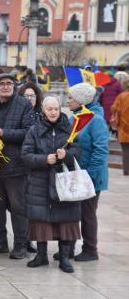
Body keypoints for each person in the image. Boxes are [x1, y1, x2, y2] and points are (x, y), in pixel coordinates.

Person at [22, 96, 81, 273]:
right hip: (40, 181)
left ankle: (64, 257)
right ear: (43, 110)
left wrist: (67, 155)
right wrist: (44, 159)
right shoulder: (34, 130)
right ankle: (41, 256)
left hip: (64, 181)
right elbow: (26, 154)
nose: (53, 112)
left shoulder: (70, 129)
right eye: (49, 109)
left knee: (65, 219)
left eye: (56, 109)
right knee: (41, 220)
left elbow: (78, 151)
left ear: (60, 109)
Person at [0, 73, 35, 259]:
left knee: (19, 206)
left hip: (17, 165)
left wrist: (4, 132)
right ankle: (0, 241)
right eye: (1, 84)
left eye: (9, 83)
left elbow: (29, 132)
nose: (6, 87)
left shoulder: (23, 104)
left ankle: (21, 244)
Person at [63, 83, 109, 262]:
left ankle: (90, 249)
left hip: (91, 176)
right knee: (73, 212)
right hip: (77, 174)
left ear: (81, 100)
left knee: (87, 214)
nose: (68, 101)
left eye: (71, 98)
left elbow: (101, 150)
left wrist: (88, 175)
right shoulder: (75, 117)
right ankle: (69, 249)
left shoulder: (95, 120)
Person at [111, 77, 129, 175]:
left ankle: (126, 170)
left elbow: (113, 108)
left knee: (126, 150)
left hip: (124, 126)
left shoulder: (121, 96)